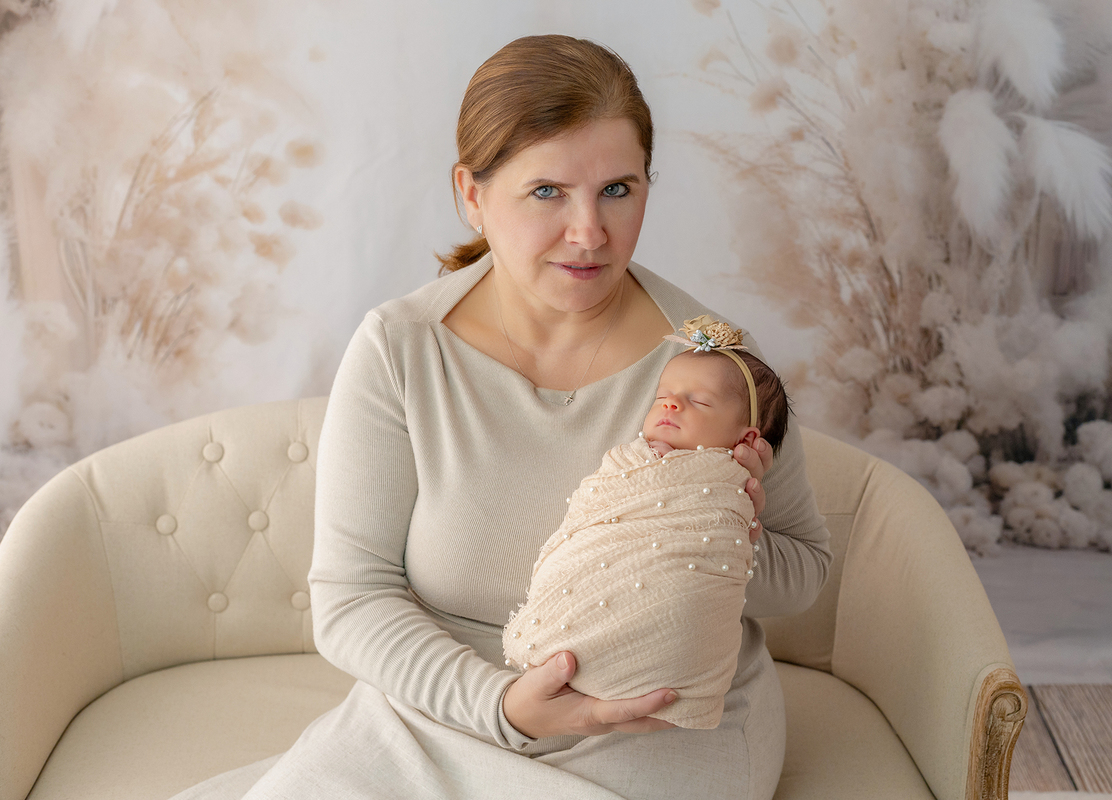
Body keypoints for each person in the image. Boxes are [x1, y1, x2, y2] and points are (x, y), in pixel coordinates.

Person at [171, 33, 830, 800]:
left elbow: (804, 575)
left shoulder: (712, 364)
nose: (589, 232)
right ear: (473, 194)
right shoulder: (401, 349)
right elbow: (353, 598)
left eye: (618, 189)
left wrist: (728, 529)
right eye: (547, 191)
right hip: (443, 711)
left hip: (654, 722)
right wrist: (501, 707)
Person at [504, 322, 794, 731]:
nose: (671, 406)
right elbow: (597, 508)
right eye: (663, 397)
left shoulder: (731, 479)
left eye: (699, 402)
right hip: (526, 699)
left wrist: (736, 522)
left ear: (745, 437)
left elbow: (797, 567)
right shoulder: (629, 460)